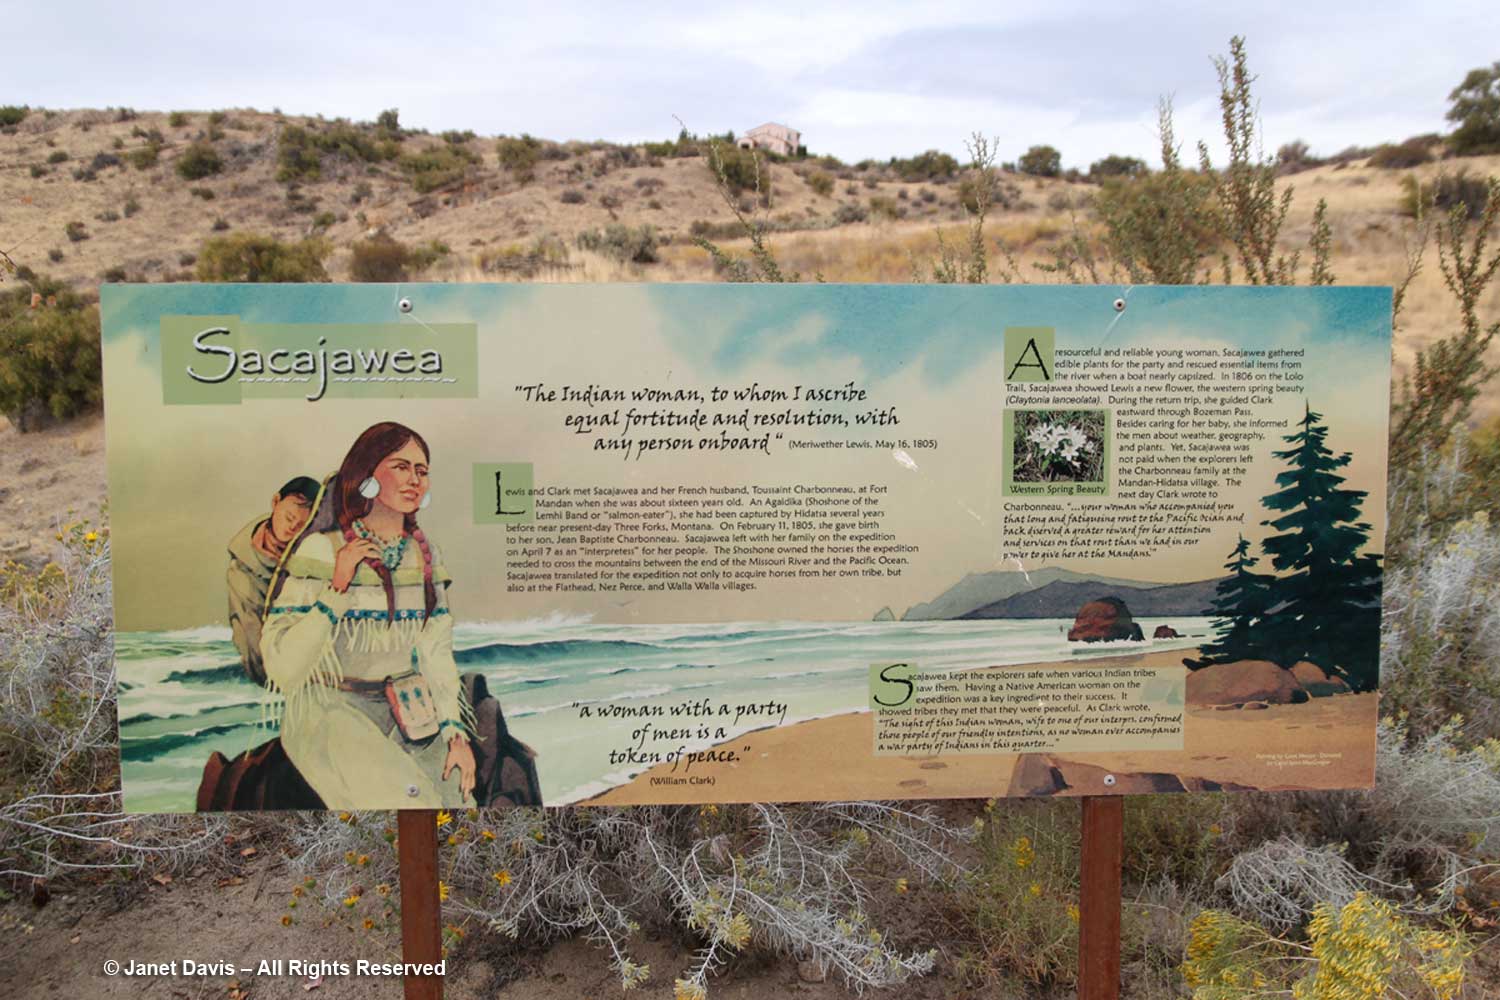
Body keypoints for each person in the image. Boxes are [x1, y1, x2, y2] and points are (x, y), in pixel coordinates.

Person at [260, 422, 477, 809]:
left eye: (422, 471)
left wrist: (455, 735)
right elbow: (282, 668)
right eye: (400, 466)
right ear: (367, 475)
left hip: (408, 709)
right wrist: (337, 590)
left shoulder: (425, 556)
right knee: (411, 800)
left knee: (457, 799)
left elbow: (435, 651)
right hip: (330, 712)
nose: (414, 480)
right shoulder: (321, 551)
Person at [226, 476, 320, 685]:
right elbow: (251, 643)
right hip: (275, 675)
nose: (292, 528)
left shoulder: (312, 551)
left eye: (301, 525)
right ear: (275, 502)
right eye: (288, 517)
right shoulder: (242, 572)